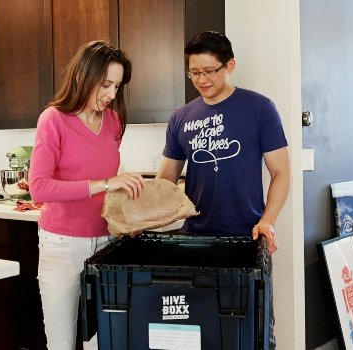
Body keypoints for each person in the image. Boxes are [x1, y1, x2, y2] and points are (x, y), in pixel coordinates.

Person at [155, 31, 290, 348]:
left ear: (230, 65)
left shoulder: (259, 108)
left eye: (208, 71)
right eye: (194, 72)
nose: (201, 79)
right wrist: (138, 210)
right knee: (197, 332)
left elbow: (281, 173)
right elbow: (165, 180)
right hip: (195, 240)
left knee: (253, 332)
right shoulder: (180, 118)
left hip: (247, 239)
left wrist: (268, 220)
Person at [29, 40, 145, 350]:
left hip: (106, 245)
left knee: (102, 341)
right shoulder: (53, 120)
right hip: (62, 246)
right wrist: (106, 183)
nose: (111, 94)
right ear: (83, 76)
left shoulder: (114, 123)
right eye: (105, 84)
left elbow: (110, 191)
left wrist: (127, 215)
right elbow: (39, 187)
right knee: (62, 342)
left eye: (117, 86)